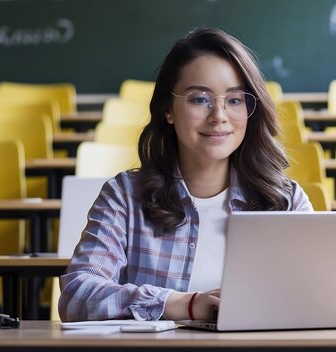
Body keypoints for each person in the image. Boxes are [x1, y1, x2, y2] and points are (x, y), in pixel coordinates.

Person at [59, 27, 313, 322]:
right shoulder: (126, 196)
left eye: (234, 100)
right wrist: (185, 305)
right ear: (168, 109)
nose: (218, 116)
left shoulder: (286, 200)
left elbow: (327, 296)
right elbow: (77, 296)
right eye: (199, 99)